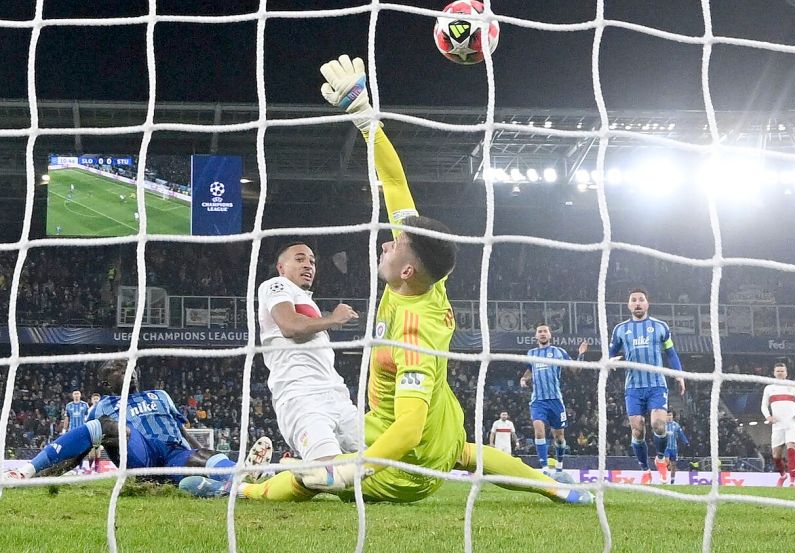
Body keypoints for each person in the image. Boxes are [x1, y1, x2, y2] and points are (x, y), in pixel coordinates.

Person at [181, 55, 591, 505]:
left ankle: (242, 488)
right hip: (439, 422)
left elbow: (409, 428)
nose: (385, 245)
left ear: (407, 269)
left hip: (405, 465)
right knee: (470, 453)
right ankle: (555, 487)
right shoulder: (426, 280)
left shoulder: (415, 327)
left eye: (394, 246)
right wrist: (363, 114)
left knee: (319, 476)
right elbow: (395, 182)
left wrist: (351, 472)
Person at [188, 240, 360, 498]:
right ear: (281, 267)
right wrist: (333, 319)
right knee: (328, 475)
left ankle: (259, 476)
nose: (308, 265)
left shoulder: (307, 303)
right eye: (300, 259)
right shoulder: (275, 286)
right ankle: (242, 488)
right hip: (301, 396)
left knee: (380, 464)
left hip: (338, 396)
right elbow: (290, 326)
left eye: (312, 261)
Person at [4, 361, 261, 488]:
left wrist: (200, 453)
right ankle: (25, 471)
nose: (129, 370)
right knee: (109, 427)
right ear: (106, 384)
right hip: (140, 455)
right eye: (119, 368)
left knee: (203, 456)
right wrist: (51, 472)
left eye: (130, 366)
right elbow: (82, 444)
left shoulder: (160, 395)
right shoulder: (103, 405)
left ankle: (240, 482)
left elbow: (182, 430)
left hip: (173, 454)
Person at [608, 287, 685, 483]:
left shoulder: (660, 327)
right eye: (633, 300)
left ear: (647, 303)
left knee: (659, 426)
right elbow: (610, 354)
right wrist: (610, 362)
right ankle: (644, 470)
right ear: (629, 305)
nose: (638, 303)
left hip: (657, 384)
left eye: (641, 299)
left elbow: (671, 353)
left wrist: (679, 376)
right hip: (633, 387)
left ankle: (660, 459)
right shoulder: (620, 329)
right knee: (637, 430)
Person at [519, 324, 587, 473]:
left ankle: (560, 465)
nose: (542, 334)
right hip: (538, 401)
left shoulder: (558, 352)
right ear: (536, 336)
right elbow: (530, 371)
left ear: (550, 335)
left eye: (545, 331)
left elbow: (575, 370)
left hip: (555, 400)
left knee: (559, 437)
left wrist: (581, 354)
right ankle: (544, 468)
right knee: (538, 430)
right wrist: (524, 379)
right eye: (539, 332)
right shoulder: (531, 353)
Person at [760, 361, 795, 487]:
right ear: (774, 373)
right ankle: (783, 475)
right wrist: (768, 416)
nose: (780, 373)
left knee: (791, 450)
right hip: (777, 426)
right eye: (778, 371)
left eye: (782, 371)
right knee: (776, 456)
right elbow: (764, 406)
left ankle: (792, 481)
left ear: (786, 373)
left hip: (792, 424)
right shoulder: (769, 389)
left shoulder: (793, 387)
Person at [663, 410, 689, 485]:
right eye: (667, 415)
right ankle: (664, 476)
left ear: (672, 416)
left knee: (673, 465)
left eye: (670, 415)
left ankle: (672, 480)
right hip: (666, 448)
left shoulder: (676, 425)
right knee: (667, 461)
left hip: (674, 448)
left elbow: (681, 434)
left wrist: (686, 442)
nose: (669, 417)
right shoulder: (663, 425)